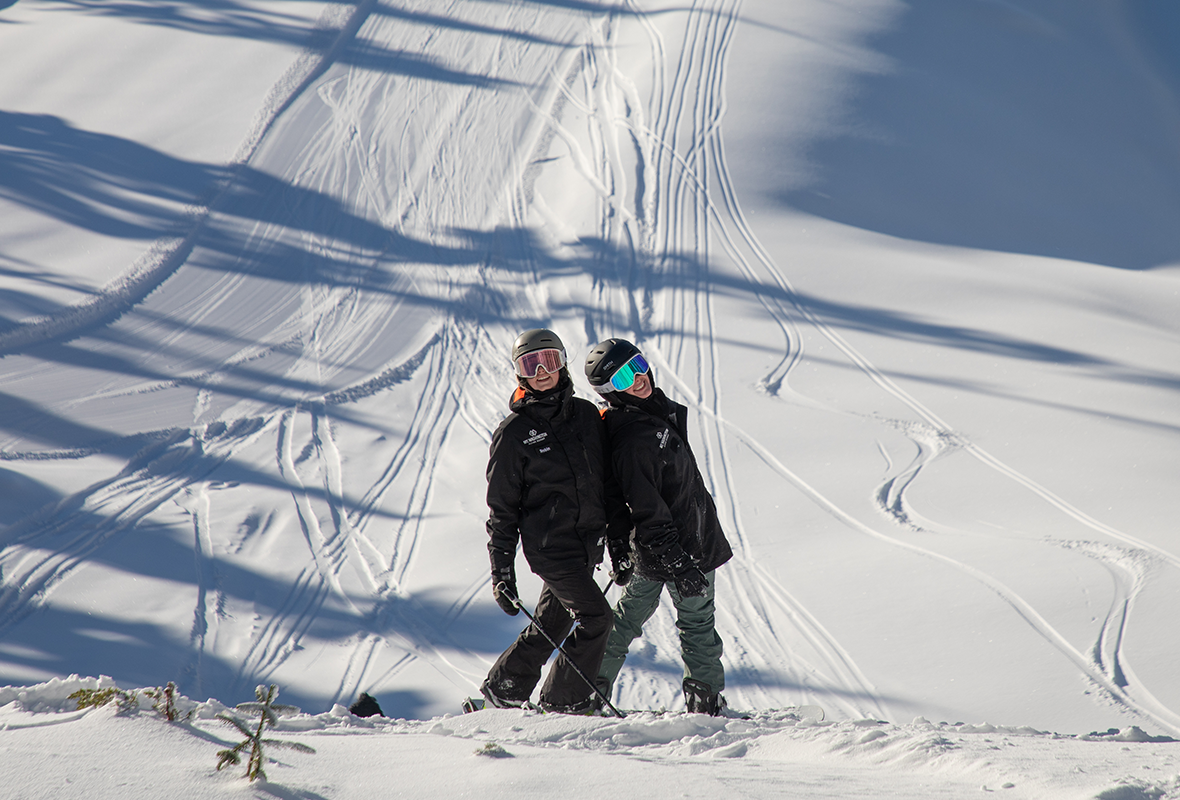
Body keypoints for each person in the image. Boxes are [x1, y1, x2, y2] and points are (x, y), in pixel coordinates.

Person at [584, 338, 734, 715]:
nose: (637, 379)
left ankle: (587, 690)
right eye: (622, 379)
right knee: (694, 625)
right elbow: (646, 510)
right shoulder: (635, 439)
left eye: (636, 365)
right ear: (609, 393)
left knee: (627, 621)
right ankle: (704, 703)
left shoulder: (651, 414)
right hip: (674, 548)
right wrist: (681, 565)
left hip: (671, 545)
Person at [480, 328, 624, 714]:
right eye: (531, 364)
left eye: (550, 361)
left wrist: (620, 545)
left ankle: (504, 688)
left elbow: (606, 484)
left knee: (552, 623)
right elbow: (502, 512)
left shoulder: (587, 416)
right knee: (596, 618)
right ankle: (563, 702)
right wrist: (502, 574)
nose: (542, 371)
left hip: (586, 544)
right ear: (520, 375)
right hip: (550, 549)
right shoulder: (513, 435)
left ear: (563, 364)